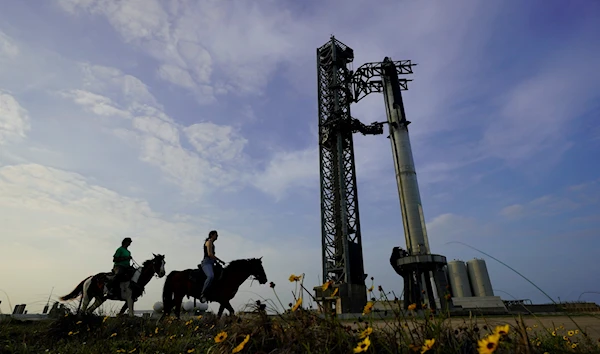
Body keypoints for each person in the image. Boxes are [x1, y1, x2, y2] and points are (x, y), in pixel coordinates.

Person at [200, 230, 225, 301]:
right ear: (212, 235)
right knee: (210, 276)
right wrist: (220, 260)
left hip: (211, 262)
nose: (217, 236)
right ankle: (203, 293)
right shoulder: (209, 242)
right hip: (207, 262)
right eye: (216, 235)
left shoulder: (212, 243)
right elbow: (210, 254)